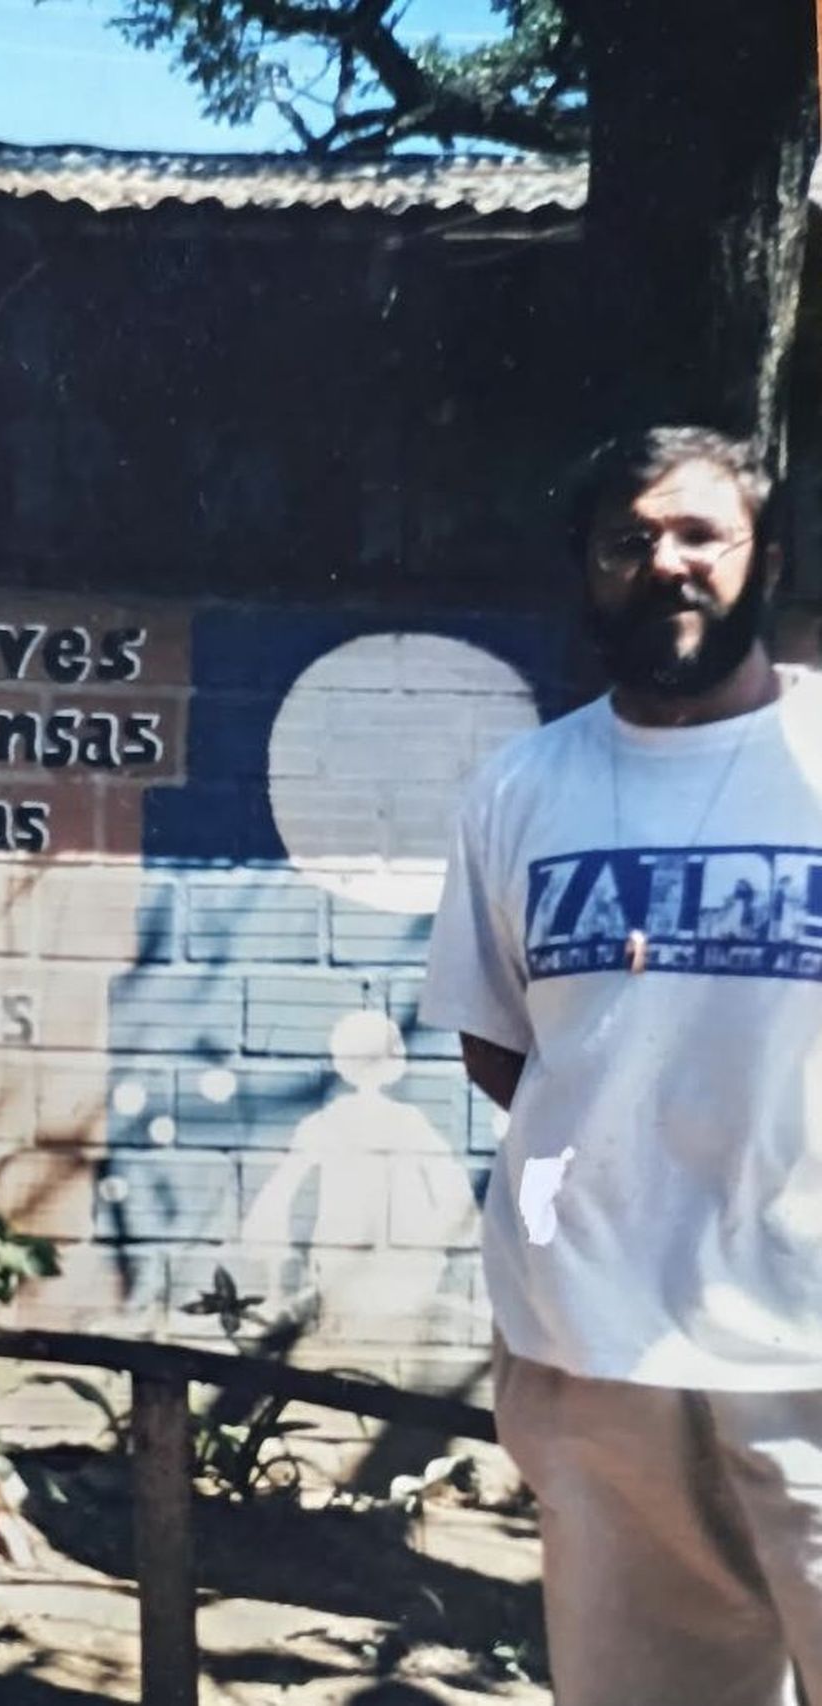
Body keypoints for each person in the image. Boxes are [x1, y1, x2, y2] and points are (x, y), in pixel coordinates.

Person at [421, 425, 822, 1706]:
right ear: (587, 573)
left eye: (700, 533)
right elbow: (502, 1044)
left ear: (765, 558)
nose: (666, 563)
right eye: (627, 540)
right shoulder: (520, 787)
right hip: (598, 1346)